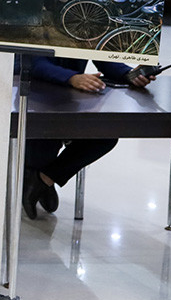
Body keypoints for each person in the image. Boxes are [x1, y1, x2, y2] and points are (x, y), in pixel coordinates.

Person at [21, 56, 155, 219]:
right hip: (31, 97)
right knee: (41, 148)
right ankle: (34, 176)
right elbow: (33, 63)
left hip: (69, 100)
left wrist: (129, 74)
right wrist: (72, 78)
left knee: (105, 136)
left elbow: (103, 57)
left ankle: (44, 179)